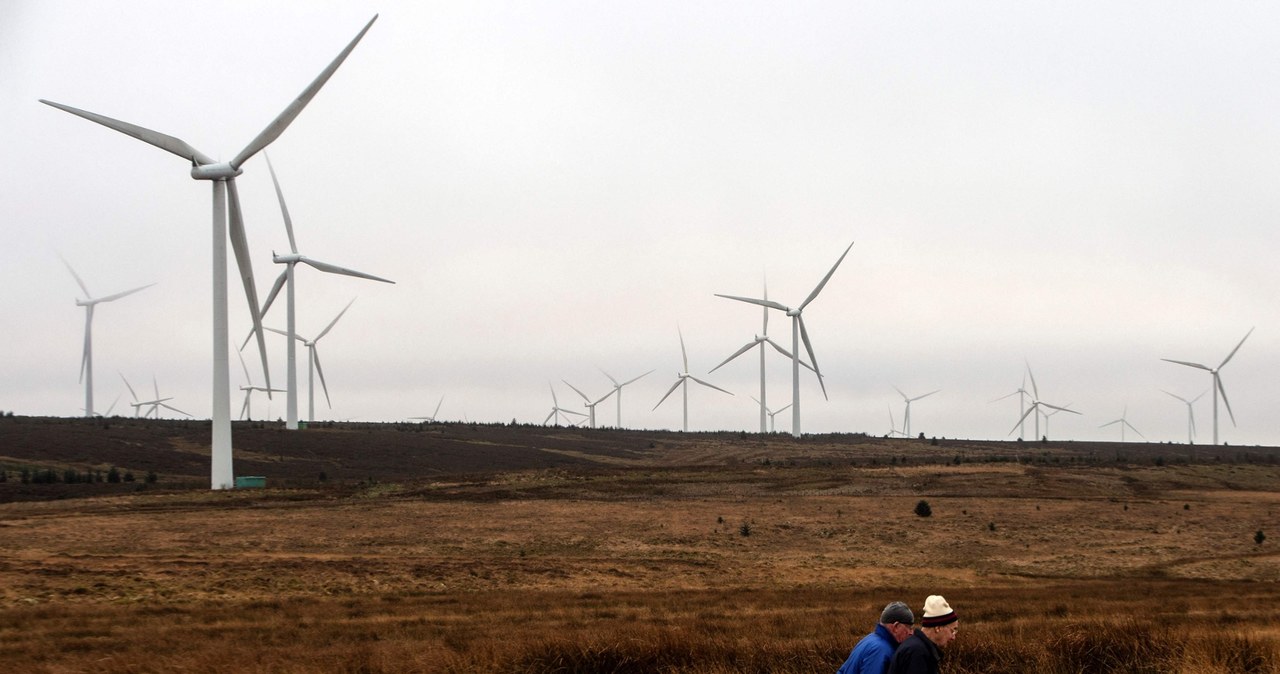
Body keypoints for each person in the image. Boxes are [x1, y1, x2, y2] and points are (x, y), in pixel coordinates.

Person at [835, 601, 916, 674]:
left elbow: (843, 670)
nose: (911, 633)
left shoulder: (869, 639)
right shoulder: (880, 650)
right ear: (896, 627)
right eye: (909, 628)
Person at [887, 595, 959, 674]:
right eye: (952, 631)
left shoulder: (918, 648)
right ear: (938, 628)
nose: (953, 637)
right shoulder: (916, 653)